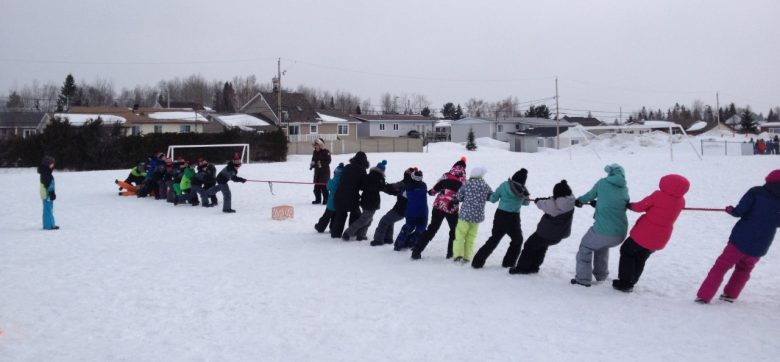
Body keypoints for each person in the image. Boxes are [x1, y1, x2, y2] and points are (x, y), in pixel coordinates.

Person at [695, 170, 780, 303]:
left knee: (721, 266)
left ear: (768, 180)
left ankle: (704, 296)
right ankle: (730, 295)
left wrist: (730, 210)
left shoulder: (756, 191)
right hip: (762, 243)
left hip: (741, 238)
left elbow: (740, 211)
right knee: (744, 269)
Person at [612, 174, 690, 292]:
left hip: (644, 234)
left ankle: (625, 282)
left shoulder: (658, 195)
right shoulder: (681, 201)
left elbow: (640, 207)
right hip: (660, 237)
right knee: (641, 257)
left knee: (627, 251)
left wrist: (629, 205)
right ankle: (632, 280)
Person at [571, 164, 630, 287]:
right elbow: (618, 203)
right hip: (620, 233)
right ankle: (601, 275)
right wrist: (598, 204)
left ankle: (582, 279)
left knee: (585, 247)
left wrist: (579, 201)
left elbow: (590, 195)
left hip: (603, 232)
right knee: (601, 246)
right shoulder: (624, 187)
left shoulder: (603, 183)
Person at [509, 180, 576, 274]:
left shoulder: (554, 207)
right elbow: (552, 201)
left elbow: (543, 205)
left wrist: (538, 201)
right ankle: (534, 267)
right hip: (559, 234)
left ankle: (522, 268)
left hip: (546, 233)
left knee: (529, 245)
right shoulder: (570, 200)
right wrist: (550, 198)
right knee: (541, 247)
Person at [472, 168, 530, 269]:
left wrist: (487, 197)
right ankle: (508, 263)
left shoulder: (504, 185)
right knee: (517, 240)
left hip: (500, 216)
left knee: (494, 238)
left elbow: (493, 199)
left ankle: (477, 262)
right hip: (514, 218)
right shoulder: (523, 190)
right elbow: (526, 203)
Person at [411, 157, 466, 260]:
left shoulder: (446, 176)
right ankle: (451, 254)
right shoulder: (463, 181)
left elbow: (435, 189)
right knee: (455, 230)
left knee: (432, 229)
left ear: (454, 167)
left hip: (438, 206)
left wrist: (431, 192)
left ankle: (416, 250)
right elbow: (463, 197)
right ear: (463, 169)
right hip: (451, 209)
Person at [451, 166, 493, 263]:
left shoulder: (467, 183)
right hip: (477, 216)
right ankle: (467, 257)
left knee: (460, 235)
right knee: (471, 237)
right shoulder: (485, 185)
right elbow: (491, 196)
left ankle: (458, 255)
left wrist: (457, 199)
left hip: (465, 215)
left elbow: (459, 196)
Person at [343, 160, 388, 241]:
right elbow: (382, 187)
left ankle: (361, 235)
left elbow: (361, 186)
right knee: (364, 220)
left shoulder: (367, 176)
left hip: (364, 200)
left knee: (368, 219)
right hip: (372, 202)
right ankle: (348, 233)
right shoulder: (379, 179)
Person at [371, 168, 413, 246]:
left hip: (400, 209)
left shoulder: (405, 183)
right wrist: (384, 187)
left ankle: (378, 240)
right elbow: (394, 191)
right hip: (402, 209)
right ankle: (388, 239)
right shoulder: (410, 184)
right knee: (389, 220)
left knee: (384, 221)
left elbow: (393, 187)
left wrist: (383, 185)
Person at [331, 151, 369, 238]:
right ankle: (353, 232)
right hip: (352, 197)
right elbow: (363, 186)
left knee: (341, 214)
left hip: (339, 195)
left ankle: (335, 234)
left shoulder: (347, 167)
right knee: (355, 214)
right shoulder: (362, 170)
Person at [394, 168, 428, 251]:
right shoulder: (424, 185)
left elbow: (403, 195)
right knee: (420, 229)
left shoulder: (407, 187)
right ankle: (412, 243)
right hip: (423, 212)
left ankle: (398, 244)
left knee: (407, 228)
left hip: (411, 212)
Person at [316, 163, 345, 233]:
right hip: (339, 203)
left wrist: (329, 181)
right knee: (335, 217)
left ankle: (320, 227)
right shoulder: (343, 181)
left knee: (326, 217)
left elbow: (328, 187)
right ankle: (332, 228)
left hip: (331, 203)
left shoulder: (333, 181)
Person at [38, 155, 59, 230]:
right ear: (47, 164)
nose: (53, 165)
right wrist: (51, 193)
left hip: (48, 194)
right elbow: (48, 185)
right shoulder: (46, 173)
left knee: (49, 209)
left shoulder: (46, 172)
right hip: (47, 194)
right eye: (51, 163)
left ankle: (51, 224)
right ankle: (48, 226)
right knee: (47, 209)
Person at [311, 138, 332, 204]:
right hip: (317, 172)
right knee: (316, 187)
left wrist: (321, 164)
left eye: (316, 145)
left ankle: (326, 200)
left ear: (320, 145)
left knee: (324, 187)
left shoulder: (326, 151)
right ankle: (318, 199)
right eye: (314, 145)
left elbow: (329, 161)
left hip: (324, 172)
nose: (315, 146)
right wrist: (312, 164)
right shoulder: (314, 152)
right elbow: (313, 160)